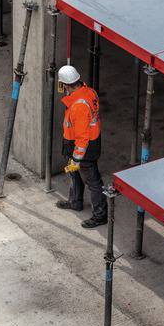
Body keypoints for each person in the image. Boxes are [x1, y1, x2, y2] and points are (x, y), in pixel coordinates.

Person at [55, 64, 106, 228]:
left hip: (83, 147)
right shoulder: (89, 92)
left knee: (93, 181)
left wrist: (77, 157)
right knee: (74, 174)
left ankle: (100, 216)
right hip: (80, 143)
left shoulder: (79, 105)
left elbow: (82, 137)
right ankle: (75, 201)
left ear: (66, 84)